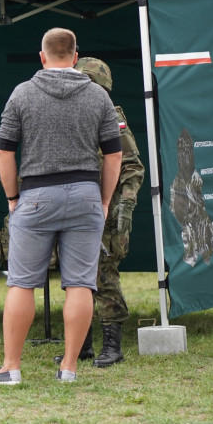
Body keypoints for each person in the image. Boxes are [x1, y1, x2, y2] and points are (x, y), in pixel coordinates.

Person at [0, 28, 122, 385]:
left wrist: (13, 199)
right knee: (80, 284)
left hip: (36, 197)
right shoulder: (98, 97)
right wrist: (104, 200)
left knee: (22, 284)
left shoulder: (22, 94)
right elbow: (114, 155)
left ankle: (10, 369)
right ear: (76, 57)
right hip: (86, 196)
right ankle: (69, 369)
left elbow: (4, 151)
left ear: (42, 56)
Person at [55, 57, 145, 368]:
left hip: (107, 210)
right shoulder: (68, 116)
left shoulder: (111, 117)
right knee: (75, 278)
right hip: (77, 206)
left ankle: (113, 346)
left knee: (103, 274)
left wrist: (127, 204)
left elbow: (132, 166)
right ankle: (81, 346)